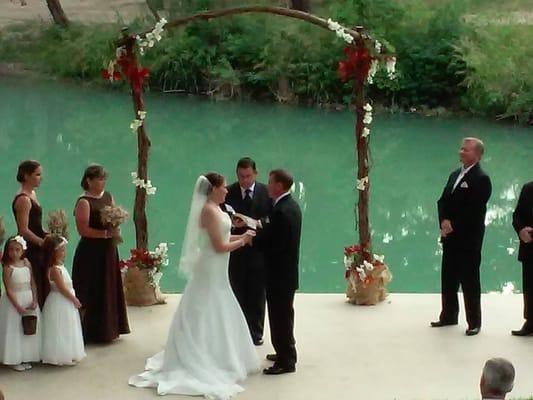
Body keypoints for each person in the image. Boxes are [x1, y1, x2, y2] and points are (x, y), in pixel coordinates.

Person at [129, 173, 259, 398]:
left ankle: (221, 353)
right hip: (210, 265)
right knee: (207, 306)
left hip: (218, 268)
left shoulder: (218, 208)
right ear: (213, 189)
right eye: (223, 187)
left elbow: (221, 235)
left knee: (219, 305)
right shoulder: (208, 211)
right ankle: (202, 355)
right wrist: (243, 240)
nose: (227, 190)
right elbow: (218, 246)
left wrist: (237, 230)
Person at [431, 137, 492, 336]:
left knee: (469, 281)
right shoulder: (455, 174)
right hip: (450, 237)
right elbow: (443, 200)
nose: (461, 152)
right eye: (461, 149)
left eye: (466, 150)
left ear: (477, 154)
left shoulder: (482, 179)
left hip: (468, 240)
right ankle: (448, 315)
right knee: (448, 277)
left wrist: (453, 224)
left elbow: (473, 210)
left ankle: (474, 321)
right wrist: (443, 221)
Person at [72, 165, 129, 343]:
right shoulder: (83, 202)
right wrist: (104, 234)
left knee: (109, 287)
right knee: (92, 288)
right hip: (91, 252)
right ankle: (90, 331)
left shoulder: (108, 196)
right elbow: (82, 229)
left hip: (108, 250)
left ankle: (110, 329)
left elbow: (113, 216)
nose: (103, 182)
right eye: (99, 179)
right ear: (89, 180)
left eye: (104, 179)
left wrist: (116, 227)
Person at [257, 169, 302, 375]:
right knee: (284, 315)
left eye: (270, 182)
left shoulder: (282, 212)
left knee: (280, 317)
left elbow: (276, 244)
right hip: (285, 274)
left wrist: (254, 238)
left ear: (279, 186)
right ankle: (284, 351)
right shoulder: (289, 206)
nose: (267, 185)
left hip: (279, 275)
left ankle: (286, 361)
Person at [224, 157, 271, 345]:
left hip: (258, 250)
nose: (244, 180)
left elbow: (271, 217)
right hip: (235, 249)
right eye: (241, 176)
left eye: (248, 176)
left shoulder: (265, 192)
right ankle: (237, 332)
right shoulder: (229, 192)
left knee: (257, 294)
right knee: (237, 291)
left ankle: (255, 333)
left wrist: (254, 225)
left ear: (255, 174)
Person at [41, 234, 86, 365]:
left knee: (67, 326)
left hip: (65, 301)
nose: (63, 253)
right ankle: (60, 355)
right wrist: (74, 299)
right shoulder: (54, 270)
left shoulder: (60, 266)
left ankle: (69, 352)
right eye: (61, 250)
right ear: (53, 253)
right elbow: (62, 288)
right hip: (60, 301)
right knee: (60, 327)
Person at [0, 236, 41, 371]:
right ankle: (13, 359)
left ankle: (25, 356)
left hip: (28, 298)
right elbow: (8, 288)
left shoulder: (27, 263)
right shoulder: (7, 267)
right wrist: (17, 306)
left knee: (28, 328)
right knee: (15, 329)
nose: (14, 253)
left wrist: (35, 299)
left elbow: (33, 283)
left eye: (17, 249)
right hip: (14, 302)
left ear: (22, 251)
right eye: (11, 250)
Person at [12, 160, 48, 308]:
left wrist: (48, 234)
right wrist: (42, 242)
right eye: (37, 174)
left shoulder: (32, 194)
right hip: (31, 248)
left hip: (39, 244)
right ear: (26, 176)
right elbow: (23, 230)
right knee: (36, 282)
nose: (40, 178)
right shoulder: (23, 199)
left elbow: (36, 222)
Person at [511, 181, 533, 336]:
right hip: (529, 245)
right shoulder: (528, 188)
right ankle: (530, 322)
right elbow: (517, 214)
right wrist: (520, 230)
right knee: (530, 286)